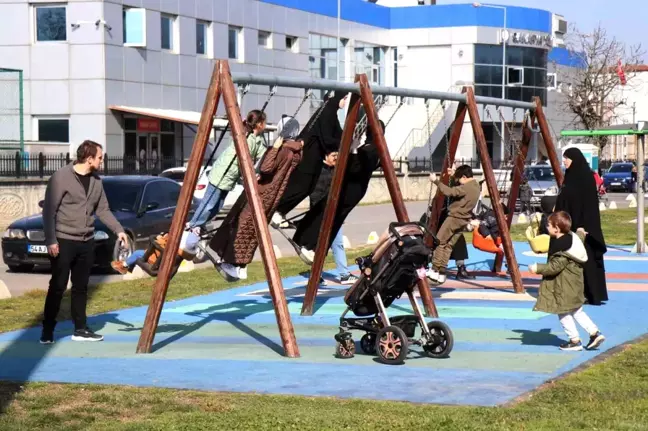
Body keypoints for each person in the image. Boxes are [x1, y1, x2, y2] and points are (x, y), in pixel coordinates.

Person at [41, 140, 128, 344]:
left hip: (86, 241)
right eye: (100, 157)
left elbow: (103, 210)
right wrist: (51, 240)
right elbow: (49, 212)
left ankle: (80, 329)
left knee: (81, 287)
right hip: (63, 241)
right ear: (89, 158)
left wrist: (119, 230)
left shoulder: (96, 181)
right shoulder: (61, 177)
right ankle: (47, 330)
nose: (102, 160)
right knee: (58, 286)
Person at [210, 116, 304, 281]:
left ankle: (234, 264)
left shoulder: (283, 149)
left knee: (242, 225)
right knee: (254, 230)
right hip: (273, 196)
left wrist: (273, 149)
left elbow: (267, 167)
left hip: (262, 192)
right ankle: (241, 265)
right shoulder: (296, 151)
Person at [291, 120, 383, 280]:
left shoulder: (370, 150)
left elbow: (355, 168)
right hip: (354, 190)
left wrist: (353, 151)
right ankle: (309, 245)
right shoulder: (377, 150)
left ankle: (307, 243)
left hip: (350, 189)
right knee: (330, 222)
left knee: (326, 218)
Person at [529, 211, 605, 351]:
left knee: (563, 312)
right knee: (577, 310)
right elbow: (579, 238)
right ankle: (594, 333)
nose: (547, 227)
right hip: (575, 285)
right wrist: (581, 232)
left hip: (564, 286)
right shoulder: (572, 239)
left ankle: (574, 340)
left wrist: (537, 268)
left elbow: (554, 267)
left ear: (556, 229)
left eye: (549, 225)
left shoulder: (562, 249)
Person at [272, 92, 348, 227]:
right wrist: (345, 143)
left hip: (315, 158)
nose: (345, 101)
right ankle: (276, 209)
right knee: (300, 186)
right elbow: (327, 138)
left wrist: (347, 140)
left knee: (308, 188)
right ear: (337, 98)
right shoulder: (326, 112)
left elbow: (338, 135)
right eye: (344, 98)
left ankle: (280, 211)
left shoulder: (332, 113)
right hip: (308, 156)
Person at [186, 110, 268, 231]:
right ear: (259, 124)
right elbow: (245, 161)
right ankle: (193, 224)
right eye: (264, 122)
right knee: (209, 203)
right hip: (222, 173)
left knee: (218, 206)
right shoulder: (246, 137)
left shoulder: (257, 139)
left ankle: (200, 224)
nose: (266, 125)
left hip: (229, 178)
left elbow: (264, 153)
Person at [554, 148, 608, 305]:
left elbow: (588, 205)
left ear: (574, 159)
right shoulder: (570, 177)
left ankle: (591, 293)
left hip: (583, 228)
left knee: (586, 261)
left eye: (566, 159)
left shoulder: (585, 178)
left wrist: (582, 226)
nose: (564, 161)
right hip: (568, 226)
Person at [426, 165, 481, 284]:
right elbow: (461, 188)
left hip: (454, 218)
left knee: (440, 242)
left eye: (459, 180)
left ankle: (435, 270)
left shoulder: (466, 188)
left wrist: (435, 180)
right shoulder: (476, 186)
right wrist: (454, 174)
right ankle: (442, 272)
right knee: (449, 245)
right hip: (464, 220)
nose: (459, 182)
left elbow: (450, 192)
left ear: (465, 177)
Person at [111, 231, 200, 275]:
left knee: (137, 253)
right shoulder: (180, 254)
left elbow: (160, 242)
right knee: (138, 255)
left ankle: (123, 265)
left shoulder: (171, 246)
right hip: (161, 261)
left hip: (154, 260)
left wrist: (160, 237)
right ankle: (128, 267)